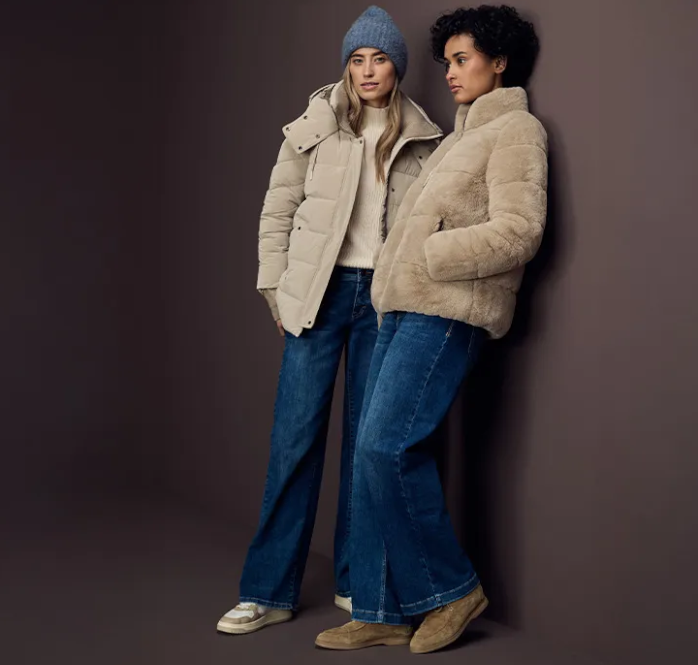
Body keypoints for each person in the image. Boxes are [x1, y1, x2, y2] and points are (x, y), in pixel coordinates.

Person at [316, 5, 547, 653]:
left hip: (448, 310)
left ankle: (452, 589)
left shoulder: (518, 130)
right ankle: (383, 610)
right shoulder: (454, 140)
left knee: (386, 447)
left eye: (462, 60)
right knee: (368, 457)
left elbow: (520, 229)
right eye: (446, 61)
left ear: (499, 62)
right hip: (401, 307)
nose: (449, 72)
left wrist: (432, 256)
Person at [216, 6, 441, 636]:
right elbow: (277, 211)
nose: (367, 71)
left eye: (379, 59)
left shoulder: (425, 139)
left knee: (366, 447)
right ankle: (267, 591)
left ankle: (355, 580)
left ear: (397, 67)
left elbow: (429, 228)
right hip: (320, 294)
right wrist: (277, 291)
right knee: (294, 441)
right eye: (357, 59)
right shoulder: (315, 126)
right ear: (346, 66)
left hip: (385, 302)